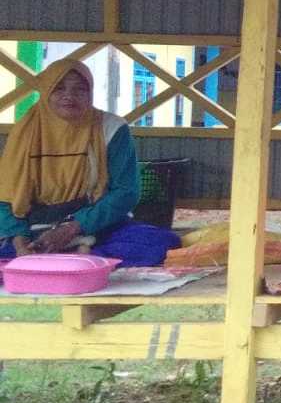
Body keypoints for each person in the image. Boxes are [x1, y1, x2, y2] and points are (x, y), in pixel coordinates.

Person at [0, 58, 178, 266]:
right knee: (13, 251)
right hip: (34, 230)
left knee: (164, 243)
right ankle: (79, 259)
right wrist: (21, 243)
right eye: (59, 88)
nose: (69, 97)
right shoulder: (25, 131)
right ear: (45, 92)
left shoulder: (110, 128)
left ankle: (73, 258)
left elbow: (126, 193)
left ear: (90, 93)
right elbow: (5, 198)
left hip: (94, 226)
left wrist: (73, 228)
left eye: (80, 90)